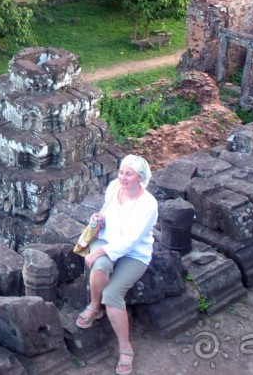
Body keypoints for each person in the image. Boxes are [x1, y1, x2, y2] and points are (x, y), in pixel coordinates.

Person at [75, 154, 158, 375]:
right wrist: (99, 218)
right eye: (121, 172)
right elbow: (106, 209)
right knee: (99, 267)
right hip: (107, 238)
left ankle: (125, 347)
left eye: (128, 174)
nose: (123, 177)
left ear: (140, 178)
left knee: (112, 295)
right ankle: (94, 306)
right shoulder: (114, 187)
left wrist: (99, 251)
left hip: (134, 254)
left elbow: (130, 241)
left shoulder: (148, 205)